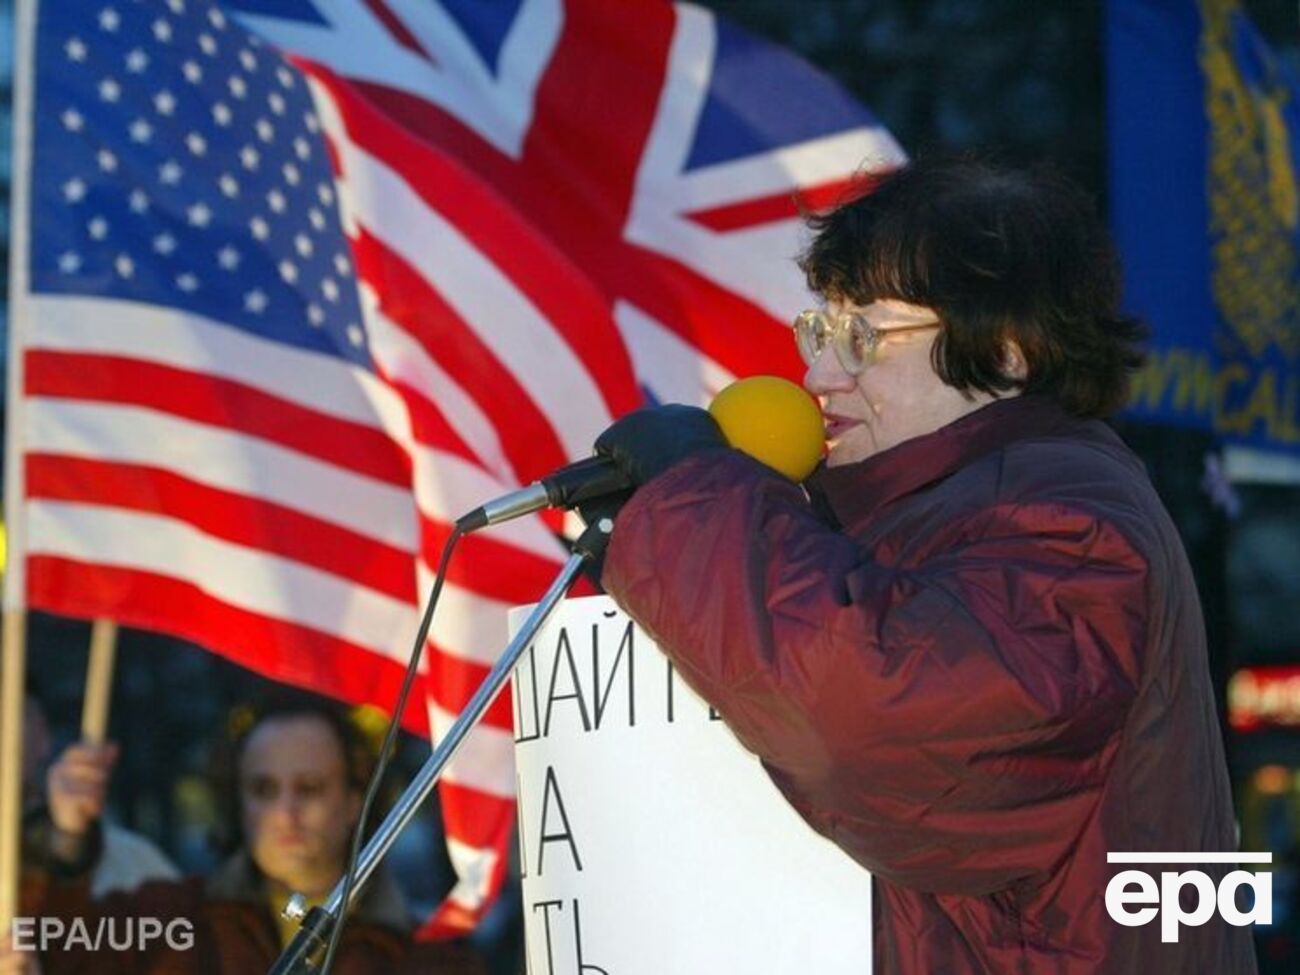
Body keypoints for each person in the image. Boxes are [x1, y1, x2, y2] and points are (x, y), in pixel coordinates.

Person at [582, 156, 1258, 973]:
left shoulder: (1069, 523)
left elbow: (875, 716)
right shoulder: (925, 517)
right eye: (820, 331)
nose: (819, 375)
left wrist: (695, 520)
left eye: (864, 335)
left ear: (1007, 349)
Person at [18, 696, 484, 975]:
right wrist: (65, 841)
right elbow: (47, 948)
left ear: (353, 801)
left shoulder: (432, 959)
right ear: (237, 800)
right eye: (263, 789)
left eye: (310, 788)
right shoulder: (173, 924)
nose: (286, 811)